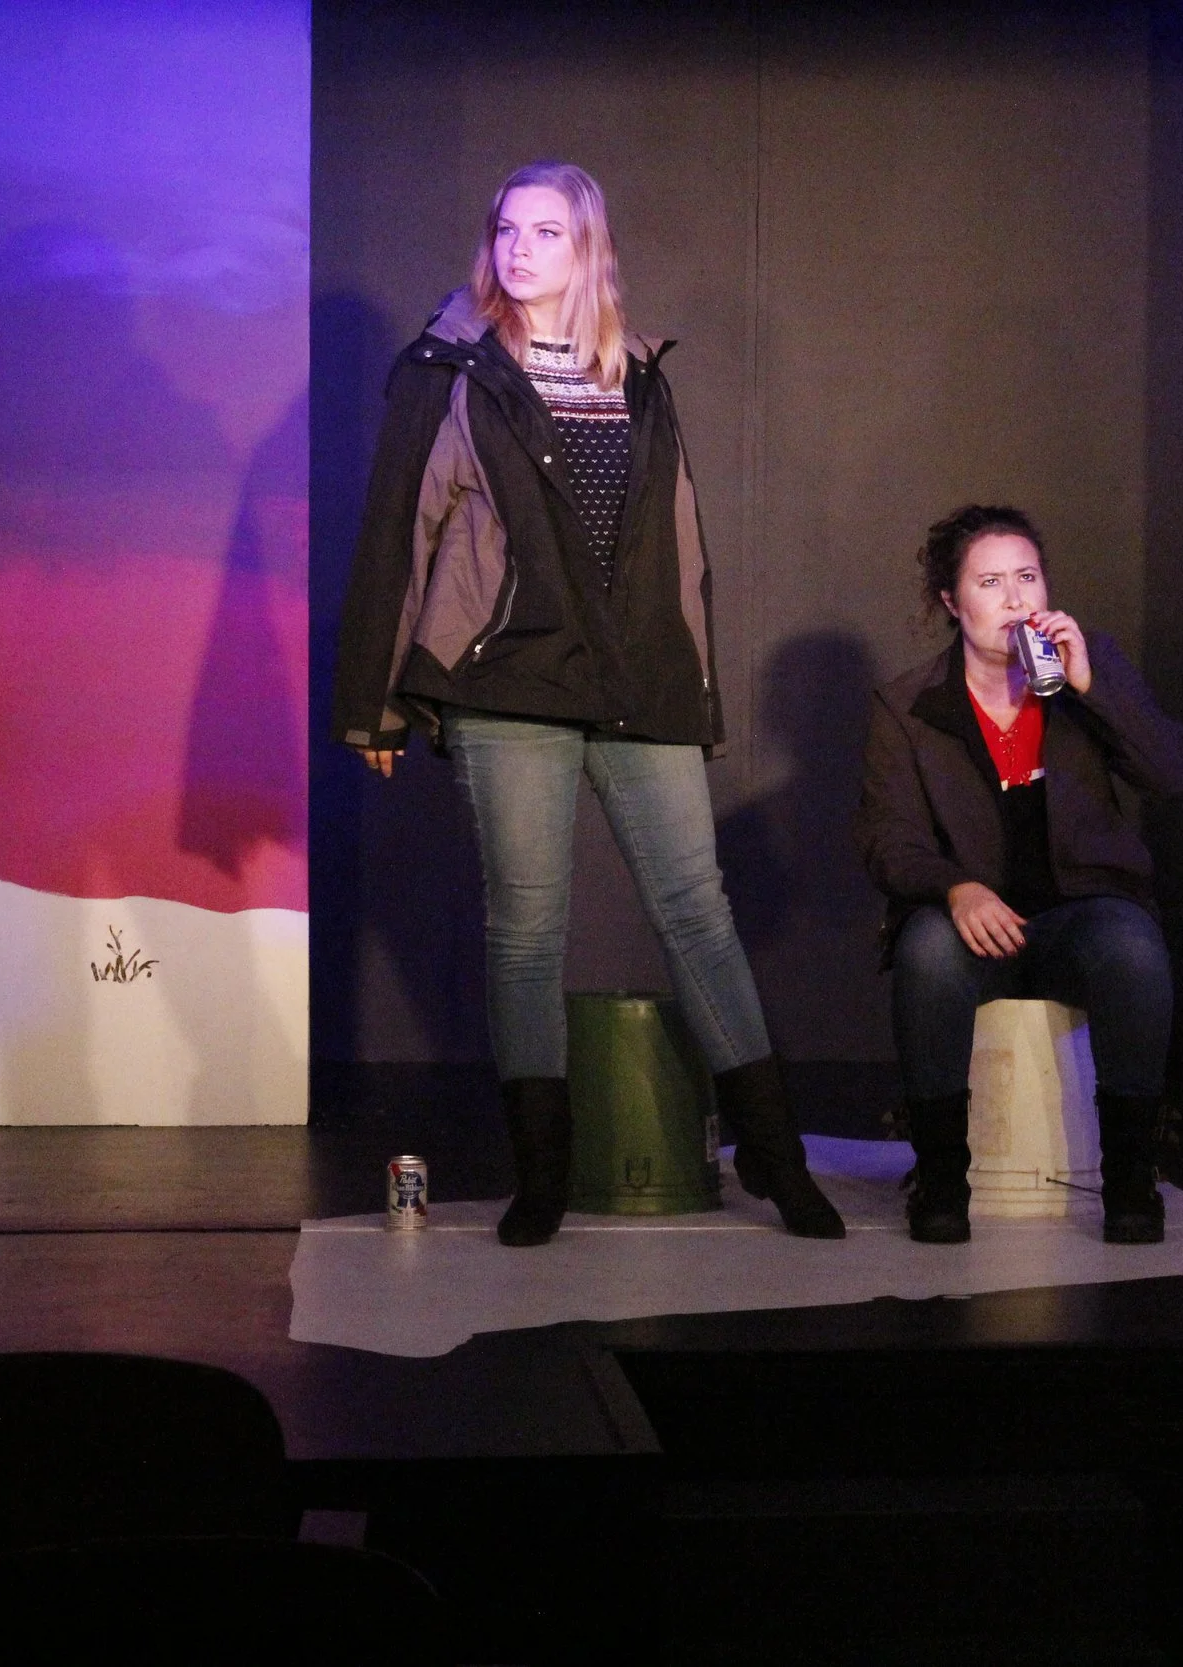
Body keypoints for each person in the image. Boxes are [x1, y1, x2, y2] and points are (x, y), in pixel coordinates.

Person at [328, 161, 842, 1246]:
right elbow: (397, 531)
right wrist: (373, 704)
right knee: (527, 927)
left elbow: (677, 546)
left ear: (587, 248)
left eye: (546, 231)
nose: (520, 249)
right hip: (506, 675)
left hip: (634, 677)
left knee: (696, 911)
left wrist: (690, 685)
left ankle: (781, 1165)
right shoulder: (450, 369)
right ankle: (544, 1179)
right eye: (507, 229)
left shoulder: (641, 374)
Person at [853, 505, 1183, 1244]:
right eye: (990, 581)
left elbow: (1171, 771)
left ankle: (1134, 1182)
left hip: (1080, 913)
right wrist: (956, 887)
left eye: (1028, 577)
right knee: (927, 950)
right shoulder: (909, 705)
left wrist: (1089, 687)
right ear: (952, 601)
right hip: (975, 919)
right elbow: (888, 840)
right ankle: (941, 1182)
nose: (1015, 599)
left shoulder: (1086, 666)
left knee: (1133, 946)